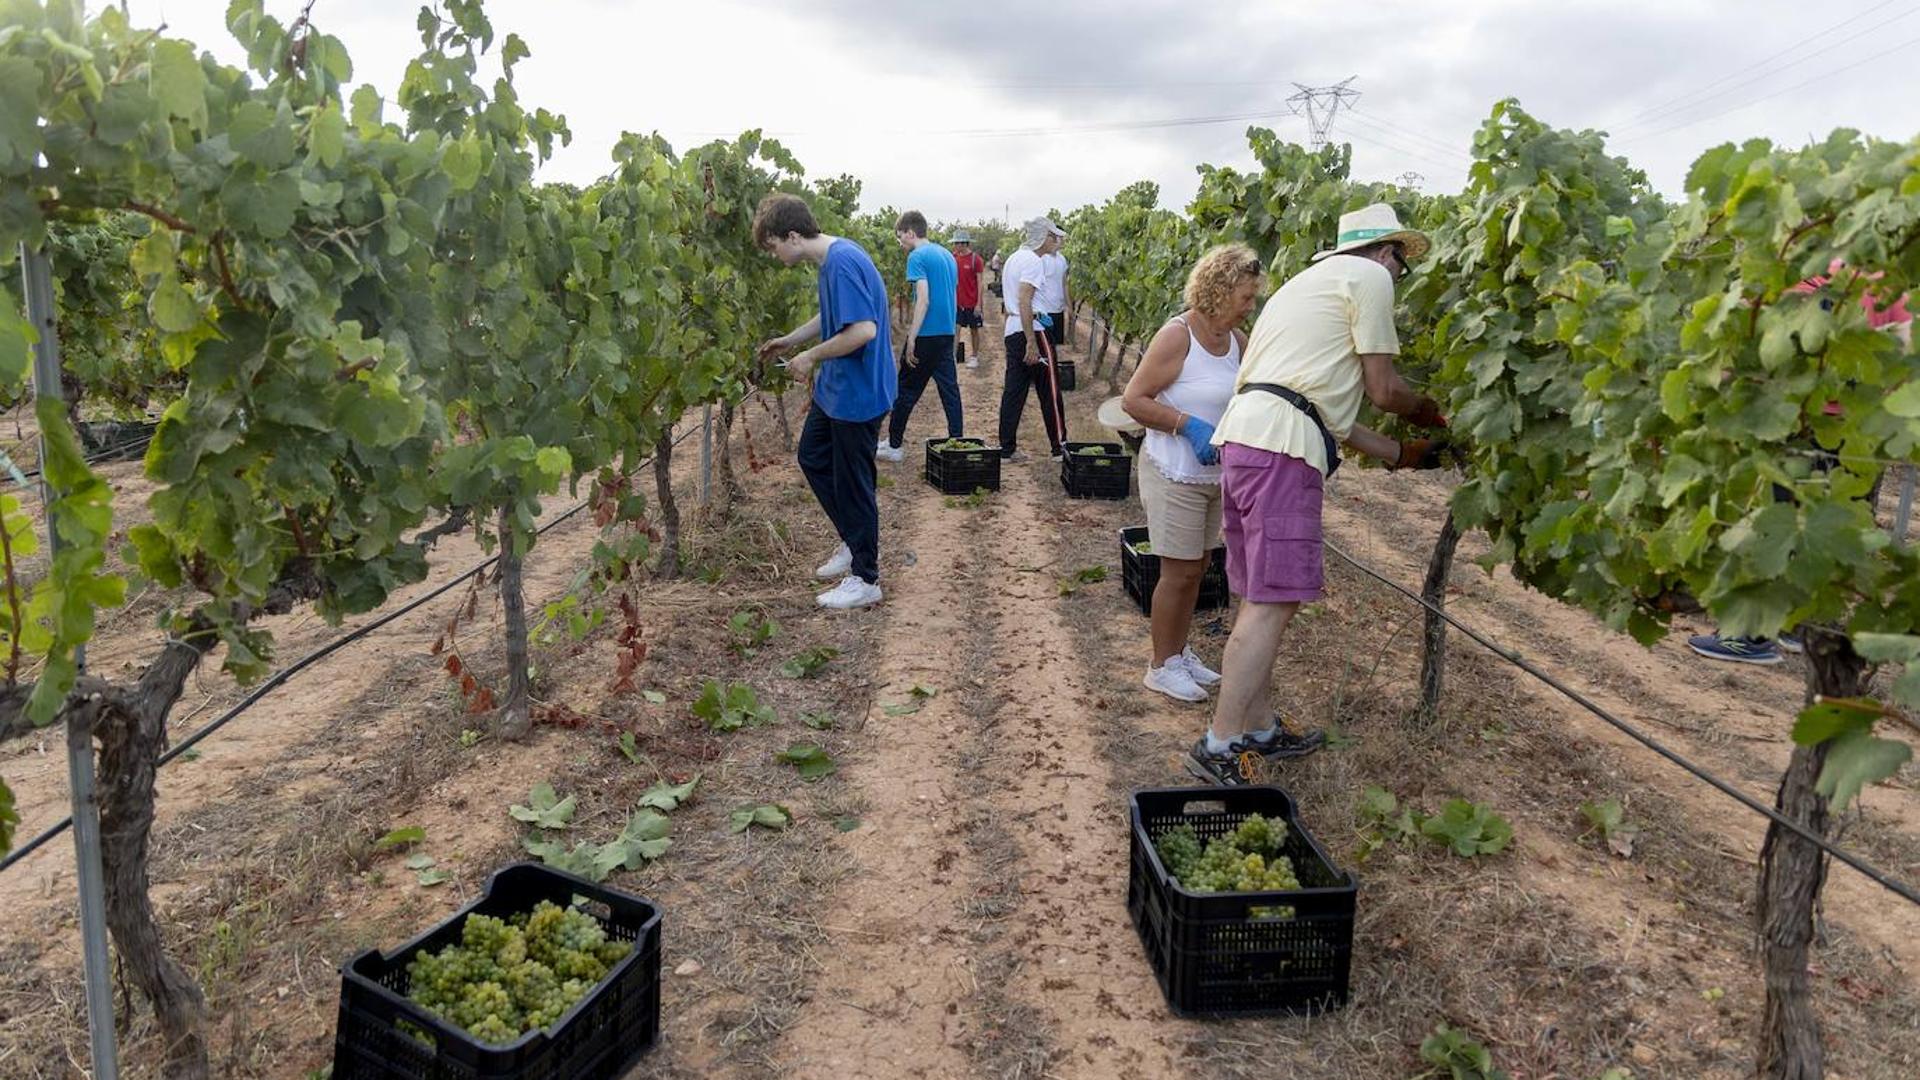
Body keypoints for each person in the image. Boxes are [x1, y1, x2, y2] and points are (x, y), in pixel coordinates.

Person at [1192, 204, 1450, 785]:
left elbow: (1324, 409)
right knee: (1273, 599)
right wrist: (1431, 415)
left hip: (1246, 440)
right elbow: (1383, 391)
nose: (1399, 274)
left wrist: (1400, 455)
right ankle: (1222, 744)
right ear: (1386, 252)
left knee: (1258, 592)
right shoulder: (1371, 278)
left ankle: (1257, 727)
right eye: (1401, 262)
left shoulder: (1304, 288)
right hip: (1283, 451)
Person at [1688, 261, 1912, 665]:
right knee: (1816, 529)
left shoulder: (1804, 281)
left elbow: (1763, 354)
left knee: (1780, 528)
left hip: (1801, 425)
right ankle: (1796, 625)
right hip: (1852, 430)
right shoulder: (1887, 283)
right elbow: (1906, 351)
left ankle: (1751, 637)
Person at [1122, 243, 1264, 704]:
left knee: (1198, 567)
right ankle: (1160, 666)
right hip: (1173, 471)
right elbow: (1134, 400)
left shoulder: (1237, 343)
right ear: (1219, 291)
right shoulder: (1177, 335)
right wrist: (1187, 424)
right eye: (1245, 296)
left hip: (1212, 476)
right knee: (1178, 571)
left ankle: (1178, 653)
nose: (1250, 306)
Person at [754, 193, 896, 610]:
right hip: (839, 390)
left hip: (859, 393)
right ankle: (854, 542)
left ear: (793, 236)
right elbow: (834, 317)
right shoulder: (832, 259)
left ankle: (866, 578)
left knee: (854, 483)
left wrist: (810, 356)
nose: (773, 254)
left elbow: (863, 330)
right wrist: (791, 340)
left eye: (773, 245)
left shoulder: (841, 262)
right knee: (812, 456)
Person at [878, 211, 964, 462]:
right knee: (950, 390)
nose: (900, 243)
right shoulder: (948, 255)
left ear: (910, 232)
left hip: (926, 334)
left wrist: (912, 338)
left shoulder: (917, 256)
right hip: (946, 333)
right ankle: (957, 440)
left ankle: (894, 446)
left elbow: (923, 299)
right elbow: (952, 295)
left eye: (900, 237)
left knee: (905, 389)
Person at [997, 217, 1069, 462]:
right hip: (1033, 329)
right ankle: (1060, 447)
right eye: (1053, 236)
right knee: (1049, 388)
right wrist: (1031, 341)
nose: (1056, 241)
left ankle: (1006, 449)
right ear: (1043, 238)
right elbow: (1024, 300)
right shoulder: (1033, 262)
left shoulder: (1015, 258)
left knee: (1014, 391)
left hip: (1013, 328)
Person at [951, 229, 988, 367]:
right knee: (956, 329)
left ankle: (974, 357)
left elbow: (980, 283)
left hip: (972, 302)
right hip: (958, 303)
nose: (955, 246)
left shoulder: (976, 260)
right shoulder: (953, 258)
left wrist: (979, 304)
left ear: (964, 243)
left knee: (974, 330)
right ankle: (953, 357)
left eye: (957, 243)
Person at [1039, 234, 1071, 353]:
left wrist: (1069, 306)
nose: (1063, 241)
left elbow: (1064, 284)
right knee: (1045, 344)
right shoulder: (1042, 259)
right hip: (1044, 311)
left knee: (1056, 344)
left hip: (1058, 310)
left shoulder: (1062, 259)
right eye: (1061, 238)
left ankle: (1052, 369)